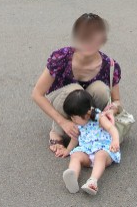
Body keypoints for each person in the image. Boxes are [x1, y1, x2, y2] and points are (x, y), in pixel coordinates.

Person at [31, 12, 123, 156]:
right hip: (61, 100)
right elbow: (37, 94)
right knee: (76, 91)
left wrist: (112, 109)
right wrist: (62, 122)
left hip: (88, 111)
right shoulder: (61, 57)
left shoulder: (110, 66)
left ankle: (88, 129)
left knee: (101, 90)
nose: (88, 42)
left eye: (94, 37)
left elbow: (116, 101)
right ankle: (57, 132)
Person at [59, 89, 121, 195]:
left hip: (104, 149)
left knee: (100, 156)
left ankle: (92, 181)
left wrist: (115, 141)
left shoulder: (100, 117)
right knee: (75, 155)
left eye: (73, 117)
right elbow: (75, 138)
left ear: (87, 114)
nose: (72, 119)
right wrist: (68, 150)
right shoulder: (78, 123)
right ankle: (72, 175)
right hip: (86, 151)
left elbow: (111, 128)